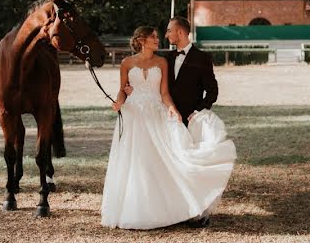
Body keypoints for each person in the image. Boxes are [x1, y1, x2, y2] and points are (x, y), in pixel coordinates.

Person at [100, 26, 236, 230]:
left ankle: (167, 207)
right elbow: (122, 91)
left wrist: (173, 109)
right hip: (133, 115)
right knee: (134, 160)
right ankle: (132, 208)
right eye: (153, 37)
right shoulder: (126, 63)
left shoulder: (162, 62)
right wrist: (118, 103)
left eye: (158, 35)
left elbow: (164, 93)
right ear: (141, 39)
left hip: (156, 112)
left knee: (160, 159)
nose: (158, 39)